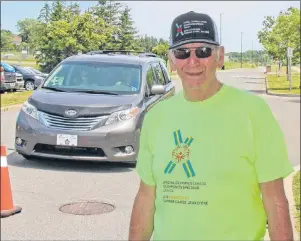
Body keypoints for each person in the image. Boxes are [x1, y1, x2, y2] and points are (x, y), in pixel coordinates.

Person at [129, 11, 294, 241]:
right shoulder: (157, 117)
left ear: (220, 56)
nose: (193, 61)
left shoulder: (253, 113)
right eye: (182, 52)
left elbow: (275, 201)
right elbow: (146, 198)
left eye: (204, 51)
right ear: (172, 61)